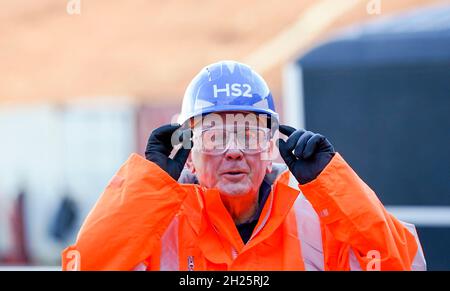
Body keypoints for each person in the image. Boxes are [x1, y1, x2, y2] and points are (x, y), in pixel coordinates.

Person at [62, 60, 426, 271]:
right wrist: (147, 186)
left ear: (271, 145)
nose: (234, 151)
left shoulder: (316, 221)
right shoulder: (157, 225)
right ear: (188, 149)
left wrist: (336, 186)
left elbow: (404, 265)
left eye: (249, 134)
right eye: (215, 136)